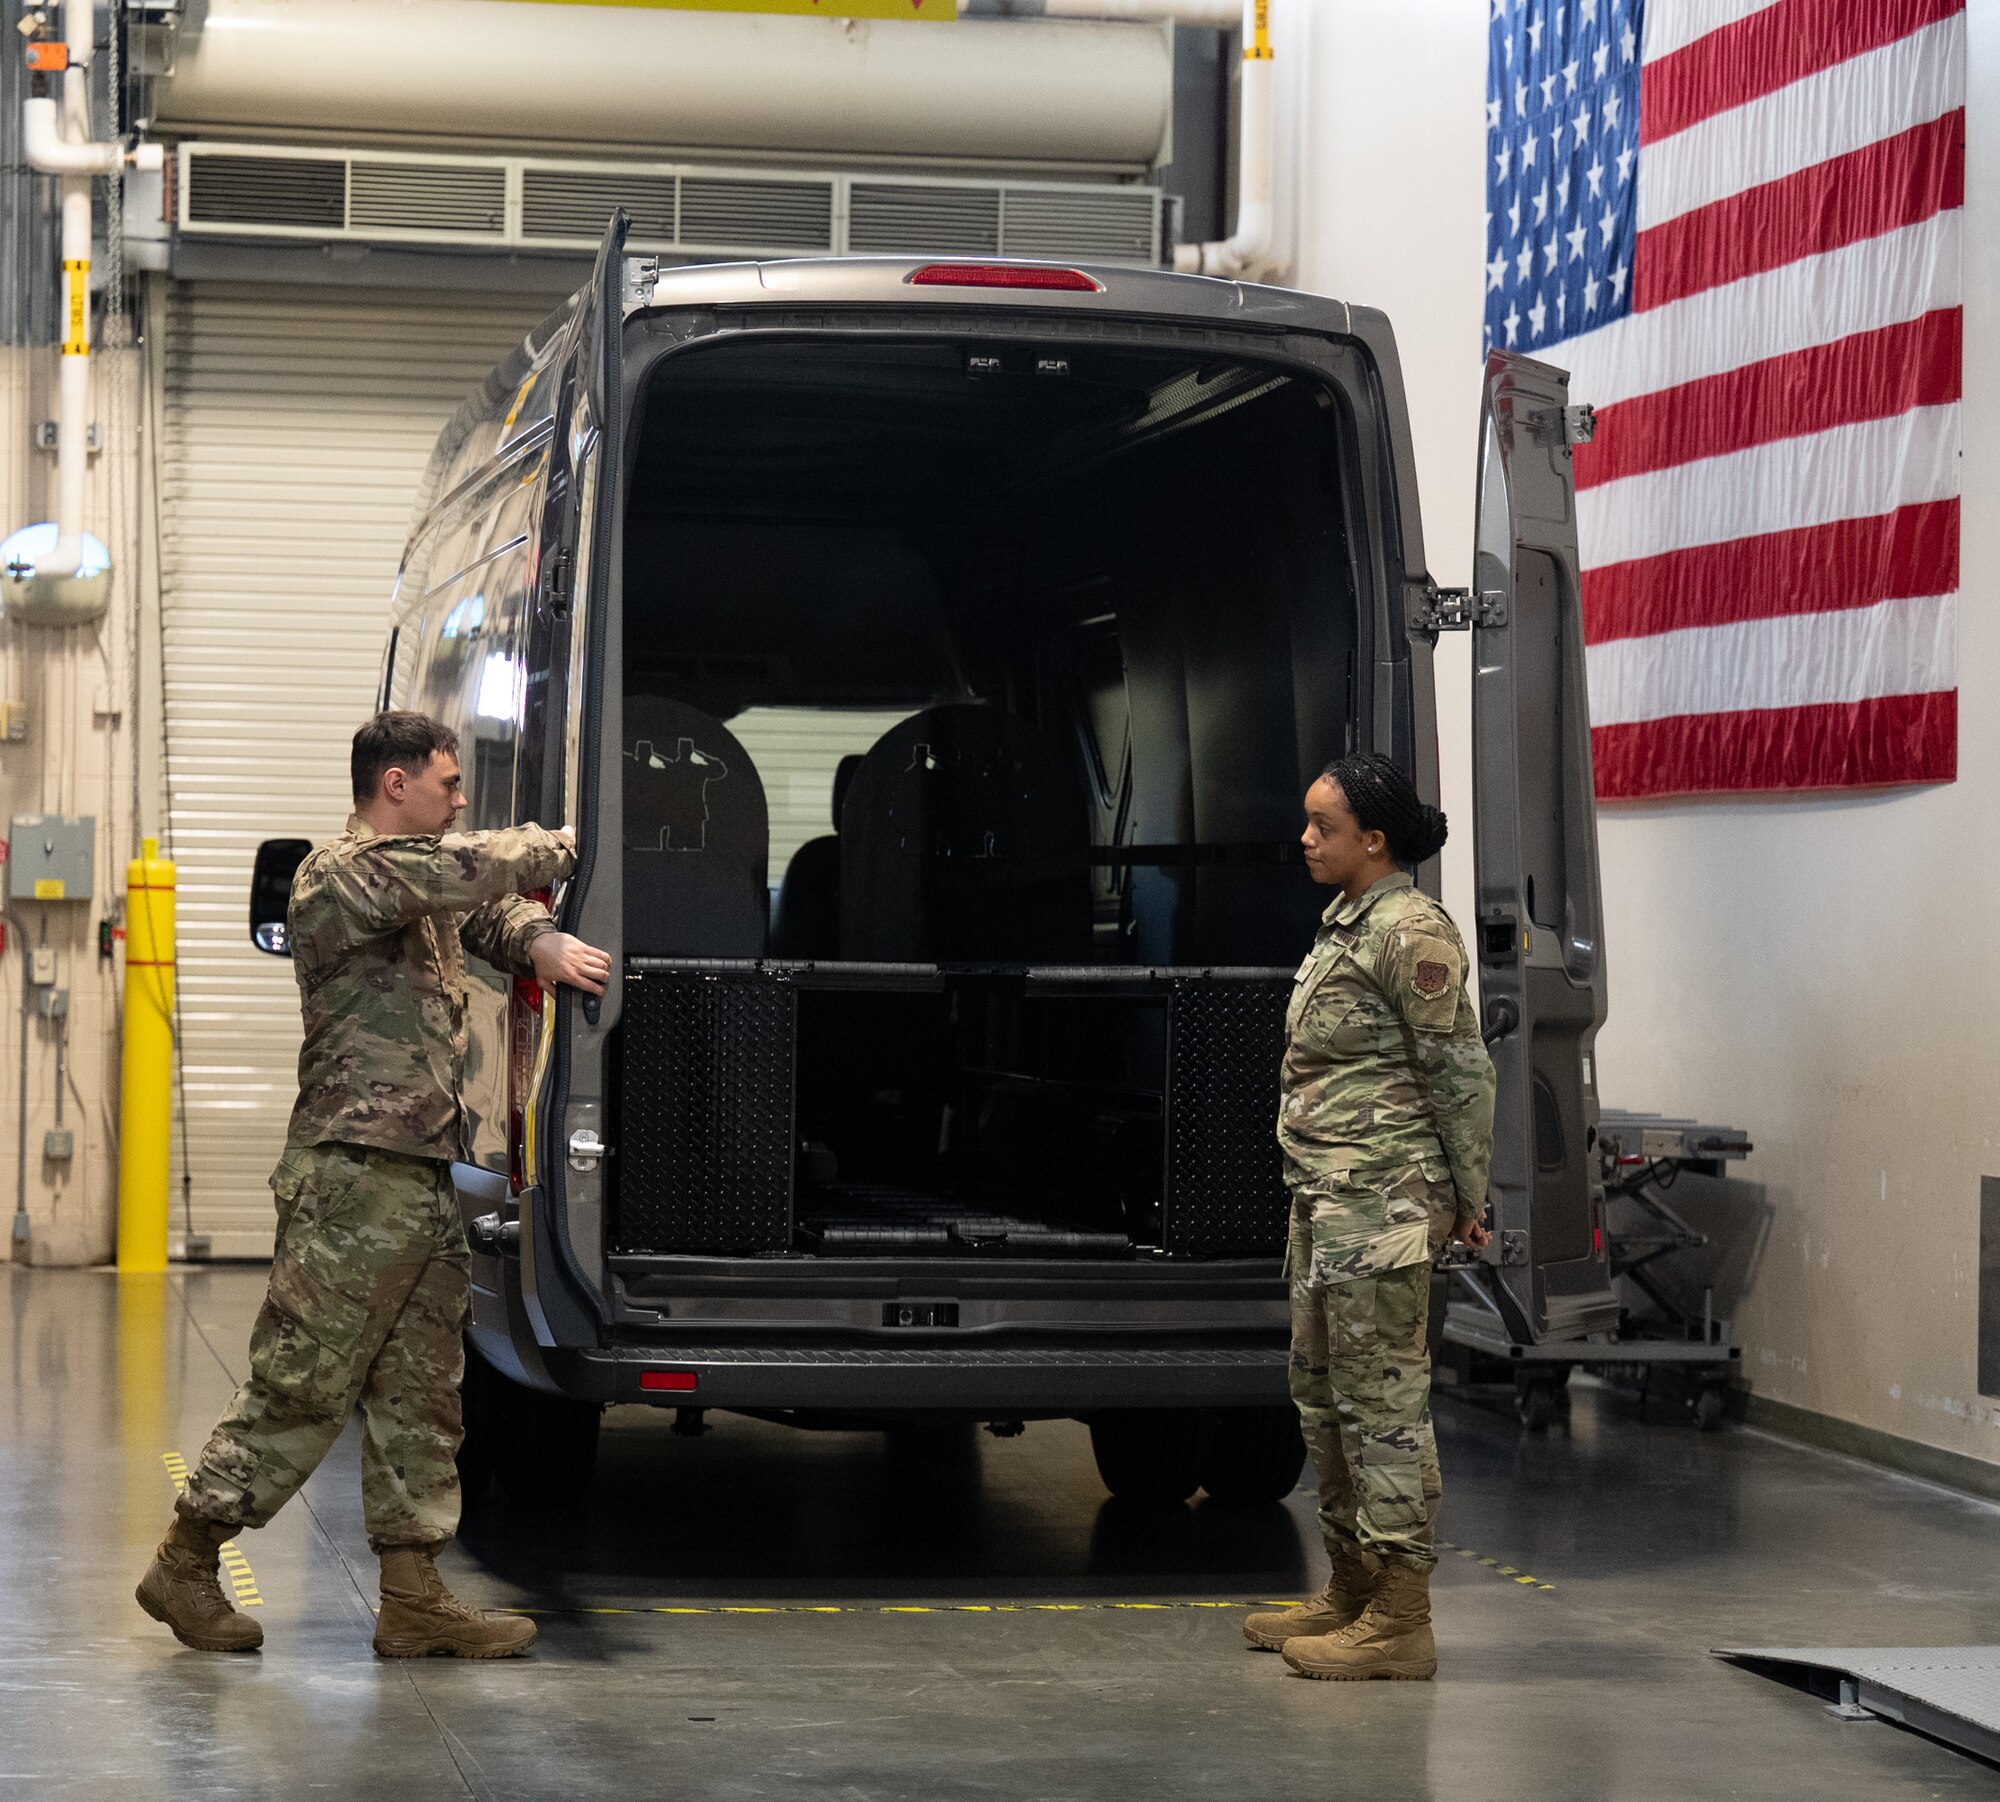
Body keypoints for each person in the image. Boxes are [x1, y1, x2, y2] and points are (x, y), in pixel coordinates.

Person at [136, 712, 612, 1657]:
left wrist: (537, 943)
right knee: (303, 1386)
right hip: (351, 1179)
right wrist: (565, 843)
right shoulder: (340, 873)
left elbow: (479, 909)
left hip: (422, 1169)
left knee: (422, 1394)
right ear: (393, 786)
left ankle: (414, 1597)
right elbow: (462, 873)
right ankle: (184, 1563)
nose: (460, 799)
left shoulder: (415, 884)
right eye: (446, 783)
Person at [1242, 753, 1495, 1681]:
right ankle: (1349, 1587)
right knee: (1323, 1396)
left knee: (1383, 1408)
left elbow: (1460, 1073)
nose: (1306, 839)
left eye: (1324, 825)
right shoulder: (1348, 921)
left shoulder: (1411, 930)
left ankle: (1400, 1617)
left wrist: (1467, 1198)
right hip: (1329, 1199)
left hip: (1383, 1205)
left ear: (1374, 839)